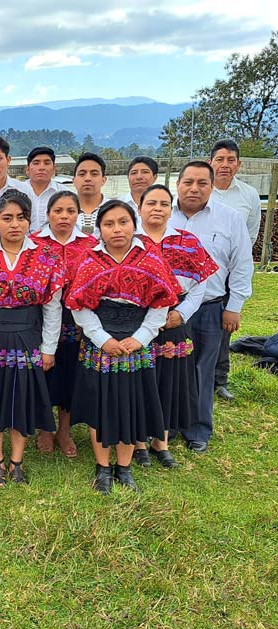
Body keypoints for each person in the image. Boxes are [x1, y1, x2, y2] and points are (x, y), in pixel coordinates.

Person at [66, 201, 179, 494]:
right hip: (99, 341)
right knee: (100, 405)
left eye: (123, 222)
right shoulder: (89, 260)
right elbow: (79, 306)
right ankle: (103, 466)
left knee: (132, 405)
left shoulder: (150, 259)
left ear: (133, 224)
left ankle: (124, 467)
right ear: (100, 229)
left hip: (136, 342)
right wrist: (102, 338)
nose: (117, 229)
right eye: (109, 224)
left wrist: (140, 338)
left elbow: (161, 303)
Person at [0, 191, 64, 486]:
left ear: (30, 221)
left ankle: (17, 462)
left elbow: (52, 307)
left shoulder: (46, 257)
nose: (14, 224)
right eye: (7, 218)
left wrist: (49, 348)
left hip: (28, 336)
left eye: (21, 218)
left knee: (21, 401)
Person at [168, 161, 254, 453]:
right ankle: (166, 426)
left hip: (210, 307)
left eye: (202, 183)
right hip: (168, 308)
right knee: (169, 368)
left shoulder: (229, 218)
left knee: (203, 369)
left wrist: (235, 305)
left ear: (212, 185)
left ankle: (198, 428)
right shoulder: (161, 214)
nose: (194, 188)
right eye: (188, 182)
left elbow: (242, 264)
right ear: (177, 184)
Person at [133, 185, 218, 469]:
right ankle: (139, 442)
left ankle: (162, 441)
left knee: (169, 381)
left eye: (164, 203)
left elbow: (200, 284)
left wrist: (181, 314)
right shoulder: (129, 241)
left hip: (174, 320)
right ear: (140, 207)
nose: (157, 208)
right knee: (140, 380)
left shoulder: (186, 241)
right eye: (151, 203)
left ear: (172, 209)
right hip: (137, 319)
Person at [30, 191, 96, 457]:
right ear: (48, 214)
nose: (64, 217)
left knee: (70, 372)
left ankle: (64, 429)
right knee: (46, 371)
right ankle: (45, 428)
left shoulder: (90, 245)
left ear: (78, 215)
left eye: (70, 211)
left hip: (77, 318)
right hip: (41, 316)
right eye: (58, 211)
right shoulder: (35, 243)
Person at [209, 139, 262, 400]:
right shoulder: (202, 191)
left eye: (230, 160)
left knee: (226, 323)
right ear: (211, 162)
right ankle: (195, 375)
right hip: (200, 272)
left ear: (238, 165)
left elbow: (250, 236)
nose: (225, 165)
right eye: (220, 159)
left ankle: (219, 380)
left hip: (230, 269)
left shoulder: (249, 195)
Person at [25, 146, 68, 232]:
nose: (41, 168)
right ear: (27, 169)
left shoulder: (65, 194)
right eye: (36, 163)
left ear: (54, 169)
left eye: (47, 163)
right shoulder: (16, 191)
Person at [73, 152, 109, 235]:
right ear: (74, 180)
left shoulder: (115, 209)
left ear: (103, 180)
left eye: (94, 174)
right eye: (82, 174)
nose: (88, 178)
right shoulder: (63, 211)